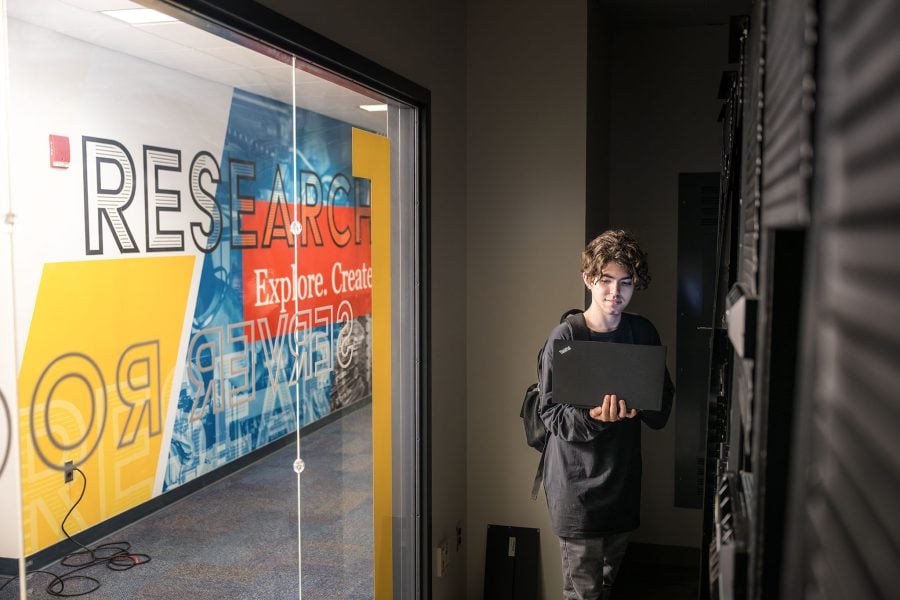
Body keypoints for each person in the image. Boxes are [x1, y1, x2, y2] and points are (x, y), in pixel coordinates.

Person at [538, 229, 674, 600]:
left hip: (622, 485)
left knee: (607, 587)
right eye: (606, 280)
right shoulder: (566, 338)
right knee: (583, 594)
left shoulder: (642, 333)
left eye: (625, 282)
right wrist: (597, 416)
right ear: (588, 279)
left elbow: (661, 407)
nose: (616, 292)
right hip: (576, 488)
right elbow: (551, 415)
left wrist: (641, 403)